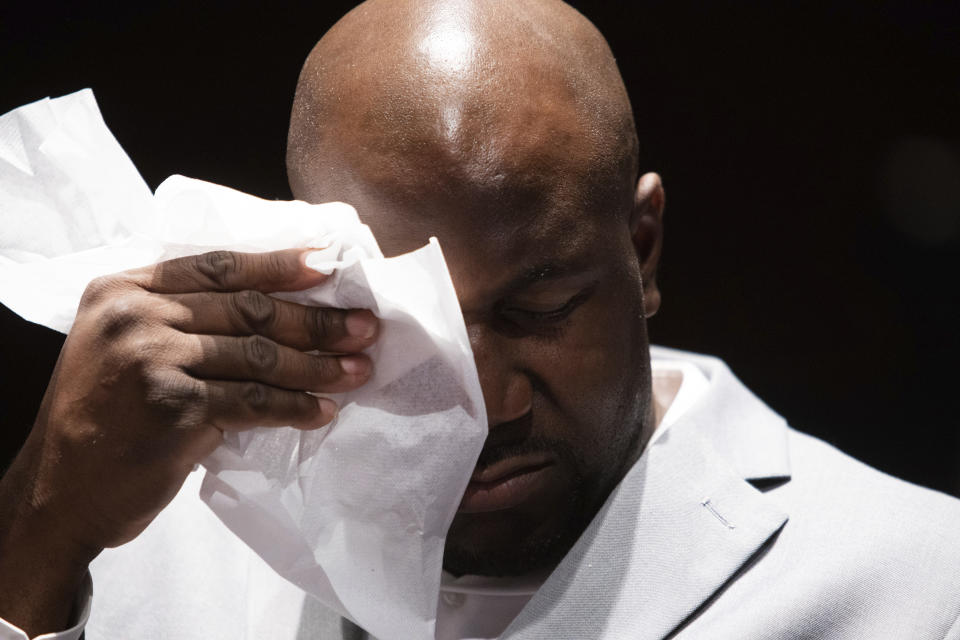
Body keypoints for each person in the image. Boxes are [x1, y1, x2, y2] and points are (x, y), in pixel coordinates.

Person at [2, 0, 959, 638]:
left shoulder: (916, 584)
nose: (487, 401)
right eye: (407, 325)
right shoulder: (141, 543)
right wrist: (38, 536)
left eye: (538, 308)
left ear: (644, 250)